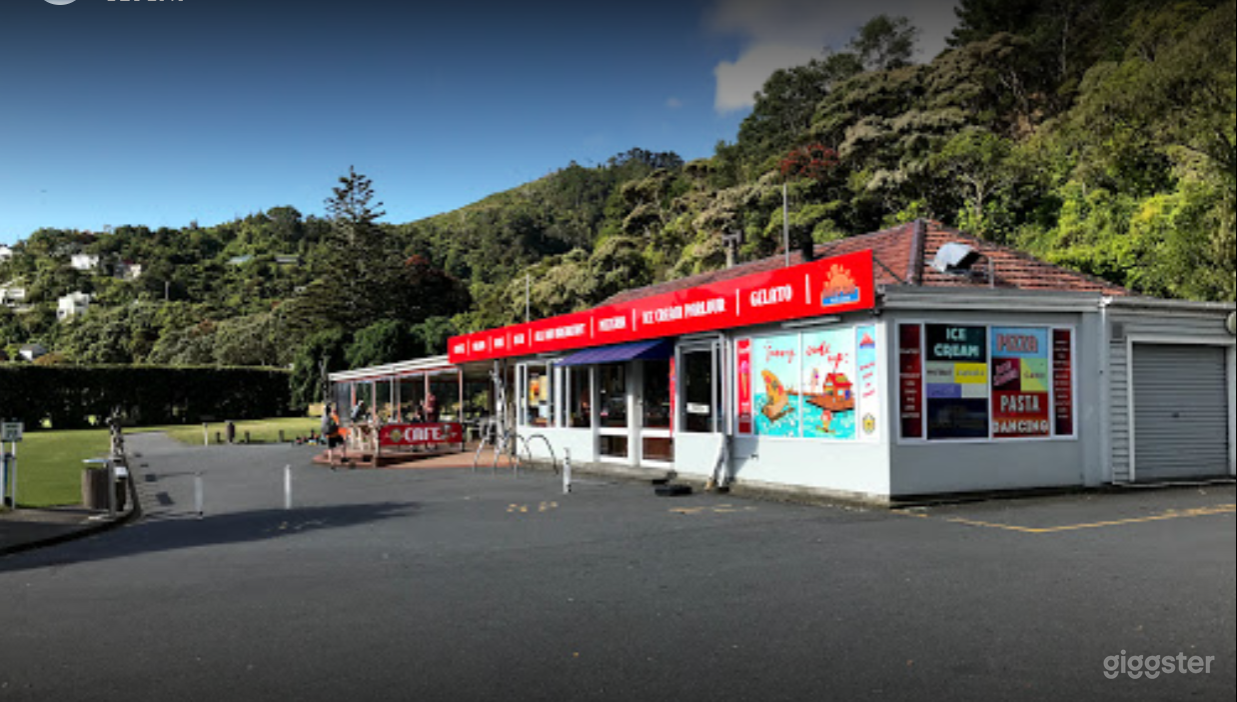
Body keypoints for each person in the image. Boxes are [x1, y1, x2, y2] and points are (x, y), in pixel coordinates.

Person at [322, 402, 345, 468]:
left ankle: (331, 463)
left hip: (329, 435)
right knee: (342, 443)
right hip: (335, 434)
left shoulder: (324, 417)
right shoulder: (334, 416)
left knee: (330, 449)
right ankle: (342, 456)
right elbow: (338, 424)